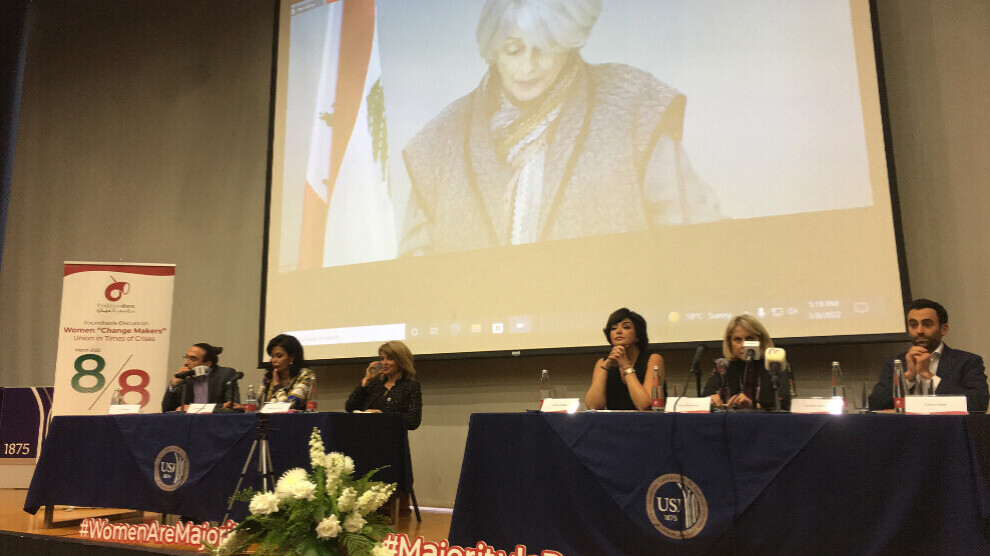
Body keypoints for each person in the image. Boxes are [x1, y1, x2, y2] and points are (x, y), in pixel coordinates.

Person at [400, 0, 721, 256]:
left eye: (544, 48)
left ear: (568, 44)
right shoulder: (440, 140)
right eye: (513, 50)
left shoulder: (633, 108)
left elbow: (695, 238)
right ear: (493, 49)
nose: (528, 66)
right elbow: (415, 272)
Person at [868, 299, 989, 412]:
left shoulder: (967, 361)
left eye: (927, 324)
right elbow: (875, 404)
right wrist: (908, 376)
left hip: (948, 426)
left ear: (943, 329)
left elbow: (979, 404)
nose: (919, 331)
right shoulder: (896, 363)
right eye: (913, 325)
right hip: (904, 427)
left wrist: (928, 375)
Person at [585, 308, 664, 411]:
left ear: (637, 335)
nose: (618, 331)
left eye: (626, 327)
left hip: (646, 420)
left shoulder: (653, 359)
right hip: (612, 420)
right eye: (613, 328)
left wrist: (626, 366)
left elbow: (644, 406)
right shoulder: (602, 363)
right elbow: (593, 406)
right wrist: (605, 367)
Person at [702, 315, 779, 410]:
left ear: (761, 341)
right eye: (738, 340)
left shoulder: (775, 364)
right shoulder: (723, 366)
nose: (743, 345)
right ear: (730, 343)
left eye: (750, 339)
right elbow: (704, 397)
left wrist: (752, 406)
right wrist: (711, 399)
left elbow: (787, 404)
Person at [345, 340, 423, 431]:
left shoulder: (411, 386)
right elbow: (350, 407)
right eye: (382, 358)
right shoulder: (375, 384)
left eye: (390, 358)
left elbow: (413, 421)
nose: (384, 363)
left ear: (401, 361)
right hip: (367, 434)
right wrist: (366, 380)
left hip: (392, 437)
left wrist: (383, 416)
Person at [161, 343, 240, 412]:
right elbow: (167, 410)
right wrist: (173, 385)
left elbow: (233, 407)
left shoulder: (225, 375)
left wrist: (193, 408)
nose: (186, 363)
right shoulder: (184, 378)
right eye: (186, 357)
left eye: (192, 359)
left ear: (207, 364)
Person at [261, 334, 315, 411]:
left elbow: (290, 406)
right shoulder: (269, 376)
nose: (273, 360)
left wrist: (277, 386)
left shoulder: (306, 375)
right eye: (272, 356)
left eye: (279, 356)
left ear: (292, 357)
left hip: (296, 418)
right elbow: (260, 405)